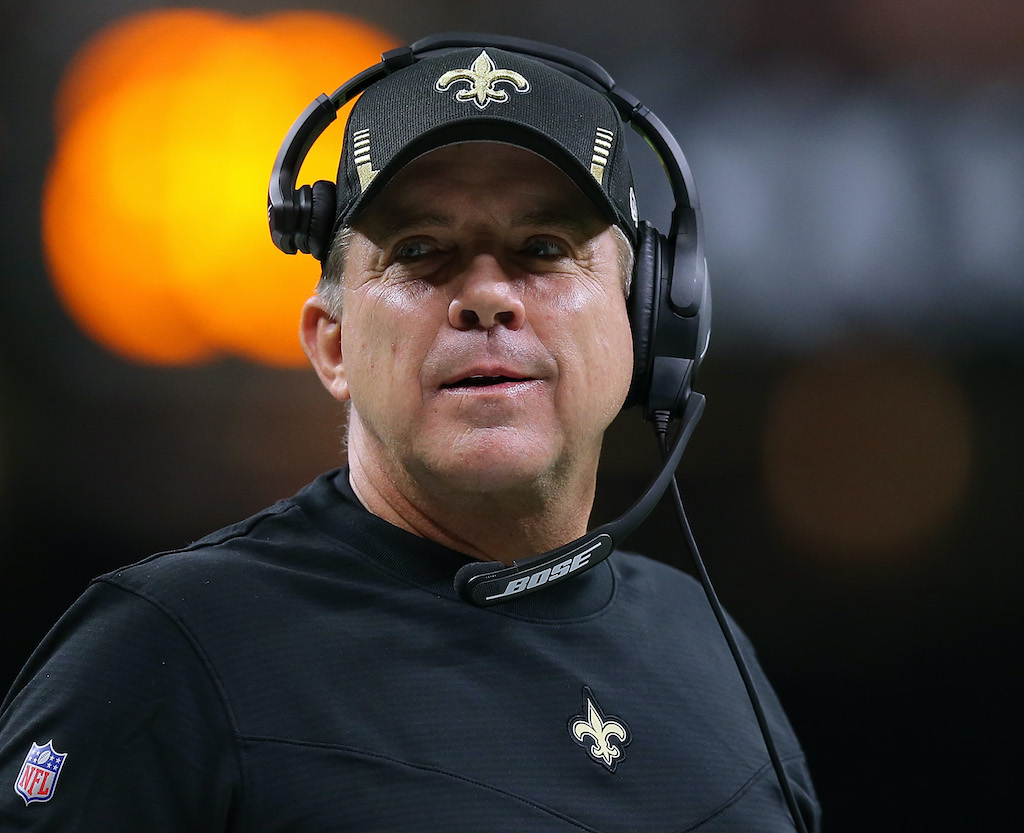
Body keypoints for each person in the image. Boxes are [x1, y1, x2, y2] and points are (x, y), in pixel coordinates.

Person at [0, 35, 820, 831]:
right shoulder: (166, 650)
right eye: (421, 251)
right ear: (331, 342)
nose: (488, 297)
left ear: (648, 321)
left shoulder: (707, 645)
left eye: (542, 248)